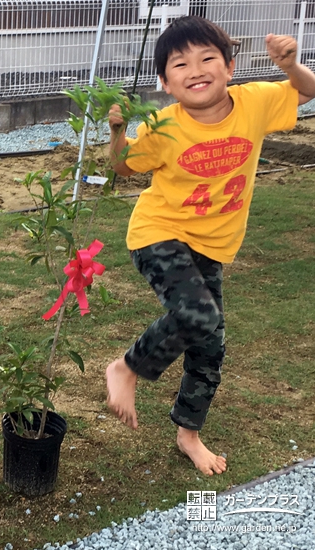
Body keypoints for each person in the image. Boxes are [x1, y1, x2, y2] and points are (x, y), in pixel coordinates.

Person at [106, 15, 315, 476]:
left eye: (207, 59)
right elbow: (123, 167)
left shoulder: (256, 102)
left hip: (213, 247)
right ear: (165, 81)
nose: (195, 70)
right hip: (158, 234)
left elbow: (306, 90)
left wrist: (291, 65)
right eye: (180, 64)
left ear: (230, 67)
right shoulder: (163, 124)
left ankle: (189, 433)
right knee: (199, 315)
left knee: (210, 344)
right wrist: (118, 130)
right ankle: (126, 368)